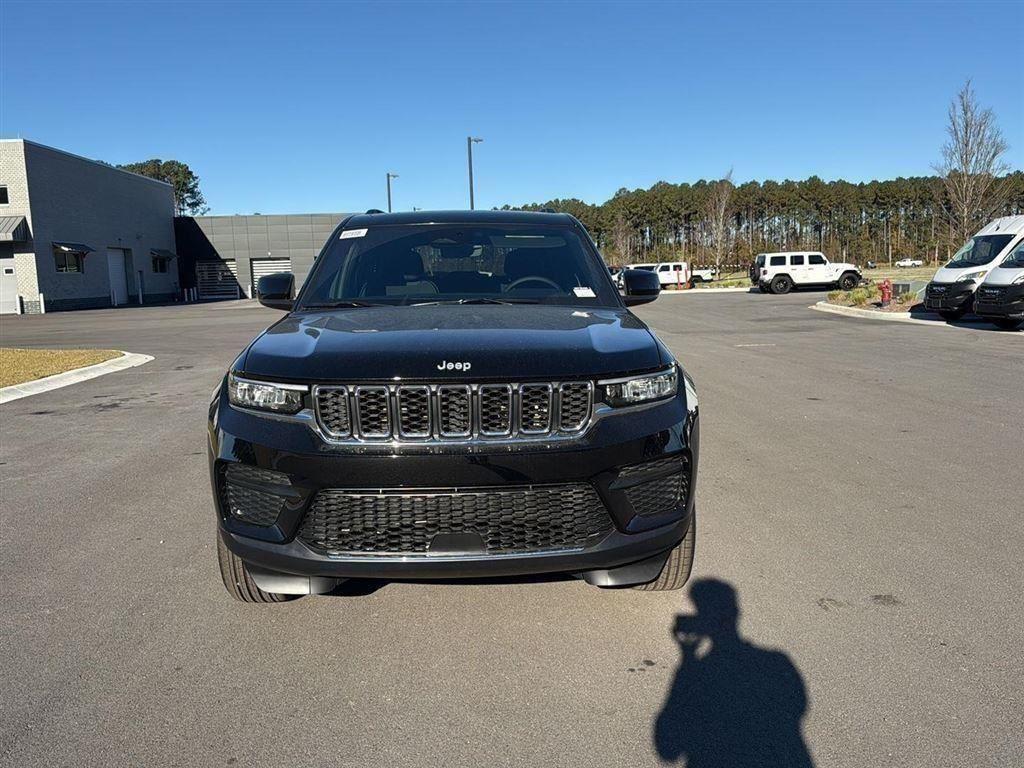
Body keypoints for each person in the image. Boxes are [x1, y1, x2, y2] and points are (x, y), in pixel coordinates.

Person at [654, 579, 814, 767]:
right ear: (736, 613)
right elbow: (798, 707)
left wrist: (687, 660)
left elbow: (668, 749)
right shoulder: (777, 662)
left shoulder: (699, 675)